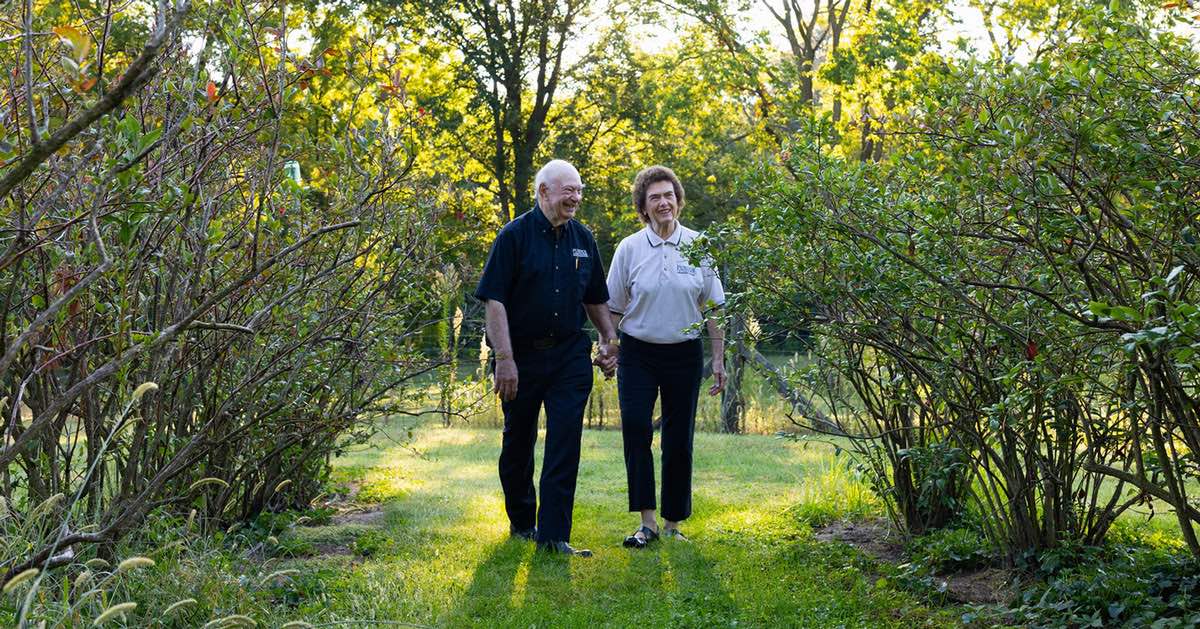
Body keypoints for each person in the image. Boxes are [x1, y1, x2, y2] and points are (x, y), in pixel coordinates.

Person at [474, 159, 619, 557]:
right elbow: (495, 300)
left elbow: (594, 297)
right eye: (568, 190)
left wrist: (609, 337)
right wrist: (504, 358)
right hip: (520, 357)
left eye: (579, 190)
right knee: (517, 443)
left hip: (570, 356)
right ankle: (523, 522)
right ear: (543, 193)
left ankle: (554, 536)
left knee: (564, 442)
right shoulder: (513, 237)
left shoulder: (583, 239)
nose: (576, 198)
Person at [605, 165, 726, 548]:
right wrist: (609, 347)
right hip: (637, 353)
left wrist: (719, 360)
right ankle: (647, 523)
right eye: (654, 197)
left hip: (684, 355)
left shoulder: (699, 245)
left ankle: (673, 524)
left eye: (669, 195)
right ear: (643, 206)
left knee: (679, 439)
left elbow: (715, 309)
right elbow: (612, 308)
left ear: (678, 201)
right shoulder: (629, 248)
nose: (663, 202)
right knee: (636, 429)